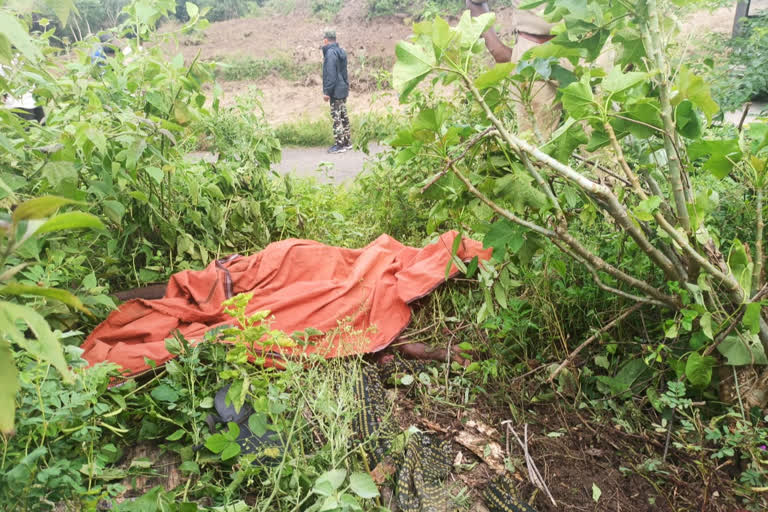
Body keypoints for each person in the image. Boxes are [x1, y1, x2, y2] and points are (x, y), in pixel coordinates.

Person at [321, 29, 351, 154]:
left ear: (326, 40)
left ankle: (339, 145)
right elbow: (344, 72)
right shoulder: (341, 51)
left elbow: (331, 74)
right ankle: (347, 142)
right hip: (343, 87)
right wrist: (346, 86)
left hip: (335, 90)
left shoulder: (330, 53)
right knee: (343, 115)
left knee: (336, 117)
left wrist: (327, 91)